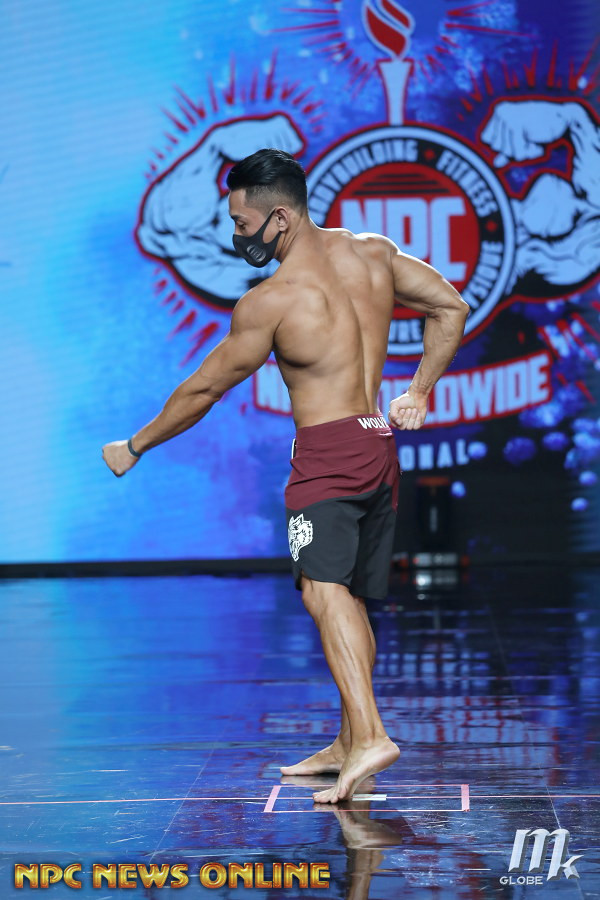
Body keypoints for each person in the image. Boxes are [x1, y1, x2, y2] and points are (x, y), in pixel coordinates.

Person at [102, 148, 469, 804]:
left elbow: (204, 389)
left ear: (279, 219)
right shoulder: (373, 254)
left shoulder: (270, 301)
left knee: (323, 593)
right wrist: (417, 391)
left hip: (327, 456)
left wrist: (137, 444)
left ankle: (372, 737)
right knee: (346, 598)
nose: (236, 235)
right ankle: (348, 740)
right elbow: (451, 306)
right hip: (378, 446)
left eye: (242, 223)